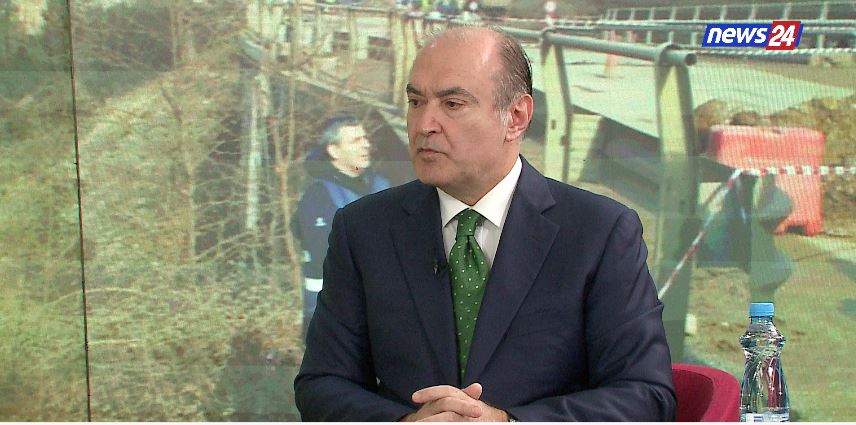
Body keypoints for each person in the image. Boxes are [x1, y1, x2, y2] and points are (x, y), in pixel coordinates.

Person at [294, 27, 676, 421]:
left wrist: (508, 422)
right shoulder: (363, 228)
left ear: (516, 117)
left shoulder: (601, 232)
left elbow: (646, 395)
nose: (423, 124)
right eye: (416, 101)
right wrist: (405, 422)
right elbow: (322, 384)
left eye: (452, 104)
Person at [293, 115, 390, 338]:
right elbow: (332, 257)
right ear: (334, 151)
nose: (366, 144)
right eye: (355, 140)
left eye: (365, 138)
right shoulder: (318, 197)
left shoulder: (382, 186)